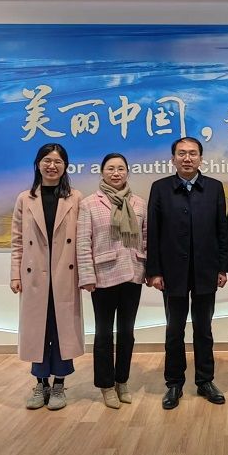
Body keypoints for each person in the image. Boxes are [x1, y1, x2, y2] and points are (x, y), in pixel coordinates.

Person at [146, 137, 228, 410]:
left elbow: (222, 230)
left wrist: (222, 267)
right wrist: (154, 271)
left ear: (201, 159)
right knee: (174, 330)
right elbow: (153, 232)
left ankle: (205, 381)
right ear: (173, 159)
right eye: (181, 153)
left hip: (206, 271)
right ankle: (174, 383)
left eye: (193, 153)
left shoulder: (214, 188)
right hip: (173, 273)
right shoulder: (160, 188)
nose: (187, 158)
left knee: (204, 330)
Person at [10, 143, 84, 410]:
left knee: (61, 329)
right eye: (47, 161)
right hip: (35, 276)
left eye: (57, 162)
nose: (52, 166)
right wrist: (15, 274)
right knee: (38, 330)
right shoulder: (25, 198)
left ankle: (60, 383)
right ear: (38, 164)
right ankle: (40, 383)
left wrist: (86, 274)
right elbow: (17, 241)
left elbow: (82, 240)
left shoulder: (75, 197)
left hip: (65, 274)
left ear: (65, 166)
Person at [77, 153, 147, 409]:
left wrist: (147, 269)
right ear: (102, 172)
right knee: (104, 333)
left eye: (120, 168)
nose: (116, 173)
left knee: (127, 333)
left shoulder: (139, 203)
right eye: (110, 168)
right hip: (103, 276)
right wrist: (87, 275)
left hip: (132, 273)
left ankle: (122, 381)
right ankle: (106, 386)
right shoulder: (89, 204)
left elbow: (146, 238)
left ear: (127, 171)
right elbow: (83, 242)